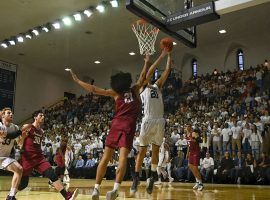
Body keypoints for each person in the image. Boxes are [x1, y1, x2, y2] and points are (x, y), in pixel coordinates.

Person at [70, 49, 168, 200]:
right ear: (127, 81)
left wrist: (78, 82)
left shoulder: (115, 93)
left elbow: (95, 90)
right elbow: (144, 76)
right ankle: (115, 189)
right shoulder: (135, 90)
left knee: (106, 156)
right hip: (128, 125)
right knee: (122, 157)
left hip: (116, 124)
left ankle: (96, 189)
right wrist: (147, 61)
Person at [131, 51, 172, 194]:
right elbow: (149, 72)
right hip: (148, 119)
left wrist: (169, 55)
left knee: (155, 149)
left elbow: (167, 71)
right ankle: (136, 177)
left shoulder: (157, 86)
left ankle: (153, 177)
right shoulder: (143, 87)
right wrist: (160, 56)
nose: (150, 77)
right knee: (142, 150)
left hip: (160, 120)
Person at [18, 111, 78, 200]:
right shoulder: (28, 127)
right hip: (28, 157)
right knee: (23, 184)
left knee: (52, 174)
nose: (43, 117)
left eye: (43, 115)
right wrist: (22, 138)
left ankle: (67, 196)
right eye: (40, 115)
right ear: (35, 117)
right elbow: (19, 142)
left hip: (39, 157)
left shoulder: (41, 131)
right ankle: (11, 195)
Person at [0, 108, 30, 200]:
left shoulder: (15, 127)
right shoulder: (0, 126)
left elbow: (19, 145)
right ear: (2, 115)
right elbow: (7, 136)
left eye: (12, 113)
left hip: (4, 157)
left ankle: (11, 196)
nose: (11, 114)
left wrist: (23, 137)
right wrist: (21, 130)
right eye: (8, 113)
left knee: (19, 169)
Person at [186, 125, 204, 191]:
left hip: (196, 152)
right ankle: (197, 181)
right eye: (186, 126)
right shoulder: (187, 135)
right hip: (191, 152)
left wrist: (195, 139)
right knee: (190, 166)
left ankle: (201, 184)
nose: (187, 128)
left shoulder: (193, 133)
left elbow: (201, 140)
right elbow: (189, 145)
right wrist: (187, 153)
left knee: (195, 168)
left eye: (189, 126)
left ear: (191, 128)